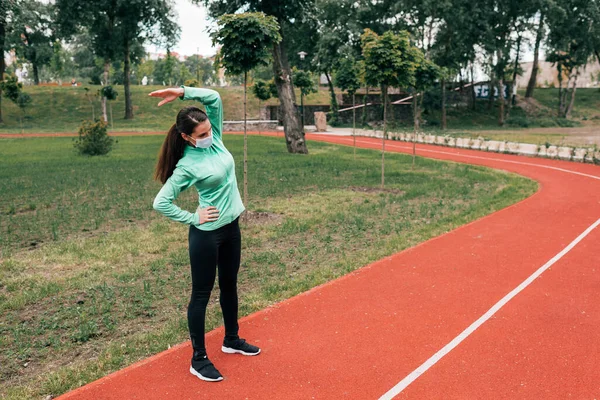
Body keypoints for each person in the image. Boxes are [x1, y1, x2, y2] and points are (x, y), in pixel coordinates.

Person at [150, 86, 260, 382]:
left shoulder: (216, 140)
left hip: (231, 227)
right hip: (206, 234)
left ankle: (231, 339)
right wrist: (192, 217)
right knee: (201, 295)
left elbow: (213, 98)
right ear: (186, 137)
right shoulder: (187, 165)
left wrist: (182, 92)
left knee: (230, 285)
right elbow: (161, 202)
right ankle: (198, 359)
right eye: (200, 135)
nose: (208, 136)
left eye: (208, 130)